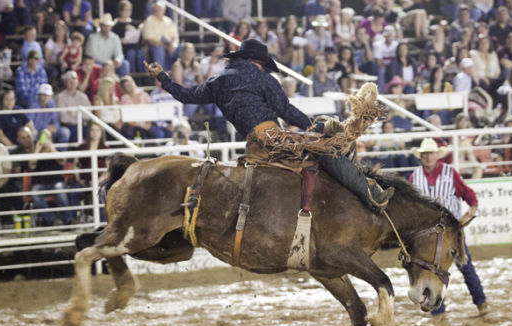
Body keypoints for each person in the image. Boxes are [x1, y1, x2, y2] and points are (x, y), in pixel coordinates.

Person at [144, 38, 394, 210]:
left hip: (253, 143)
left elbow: (186, 95)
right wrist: (313, 125)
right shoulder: (262, 78)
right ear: (258, 61)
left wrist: (163, 78)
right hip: (272, 137)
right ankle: (371, 195)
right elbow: (284, 109)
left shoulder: (217, 80)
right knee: (327, 150)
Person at [409, 137, 488, 317]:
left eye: (430, 154)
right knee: (431, 271)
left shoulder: (450, 173)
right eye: (424, 154)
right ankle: (438, 309)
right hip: (428, 236)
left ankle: (481, 302)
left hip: (451, 233)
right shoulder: (415, 176)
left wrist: (473, 207)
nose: (427, 157)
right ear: (421, 157)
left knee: (465, 266)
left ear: (437, 155)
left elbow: (467, 193)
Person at [26, 128, 74, 226]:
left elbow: (62, 161)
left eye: (47, 137)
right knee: (35, 191)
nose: (45, 140)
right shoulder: (36, 153)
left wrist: (52, 149)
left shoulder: (56, 150)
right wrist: (37, 150)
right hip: (40, 184)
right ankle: (51, 219)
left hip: (56, 182)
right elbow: (31, 165)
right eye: (43, 137)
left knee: (59, 188)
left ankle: (67, 219)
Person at [142, 0, 180, 69]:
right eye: (156, 9)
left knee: (182, 48)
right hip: (155, 47)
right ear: (153, 10)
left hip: (170, 46)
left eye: (160, 9)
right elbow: (149, 40)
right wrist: (164, 46)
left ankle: (179, 72)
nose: (158, 11)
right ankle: (161, 75)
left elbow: (175, 37)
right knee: (159, 49)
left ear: (164, 10)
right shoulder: (148, 21)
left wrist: (173, 46)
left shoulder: (169, 21)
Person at [55, 70, 91, 143]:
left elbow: (88, 115)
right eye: (69, 80)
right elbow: (63, 118)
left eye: (74, 80)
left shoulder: (83, 96)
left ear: (77, 82)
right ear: (65, 82)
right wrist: (79, 114)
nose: (72, 83)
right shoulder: (60, 97)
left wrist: (72, 113)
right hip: (68, 126)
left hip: (82, 126)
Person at [113, 0, 143, 74]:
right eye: (125, 10)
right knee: (131, 53)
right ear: (120, 11)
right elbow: (114, 38)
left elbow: (139, 38)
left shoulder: (134, 23)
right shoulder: (116, 24)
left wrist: (135, 29)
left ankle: (143, 77)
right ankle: (132, 75)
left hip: (135, 46)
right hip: (124, 47)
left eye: (129, 10)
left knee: (140, 54)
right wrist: (121, 40)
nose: (128, 12)